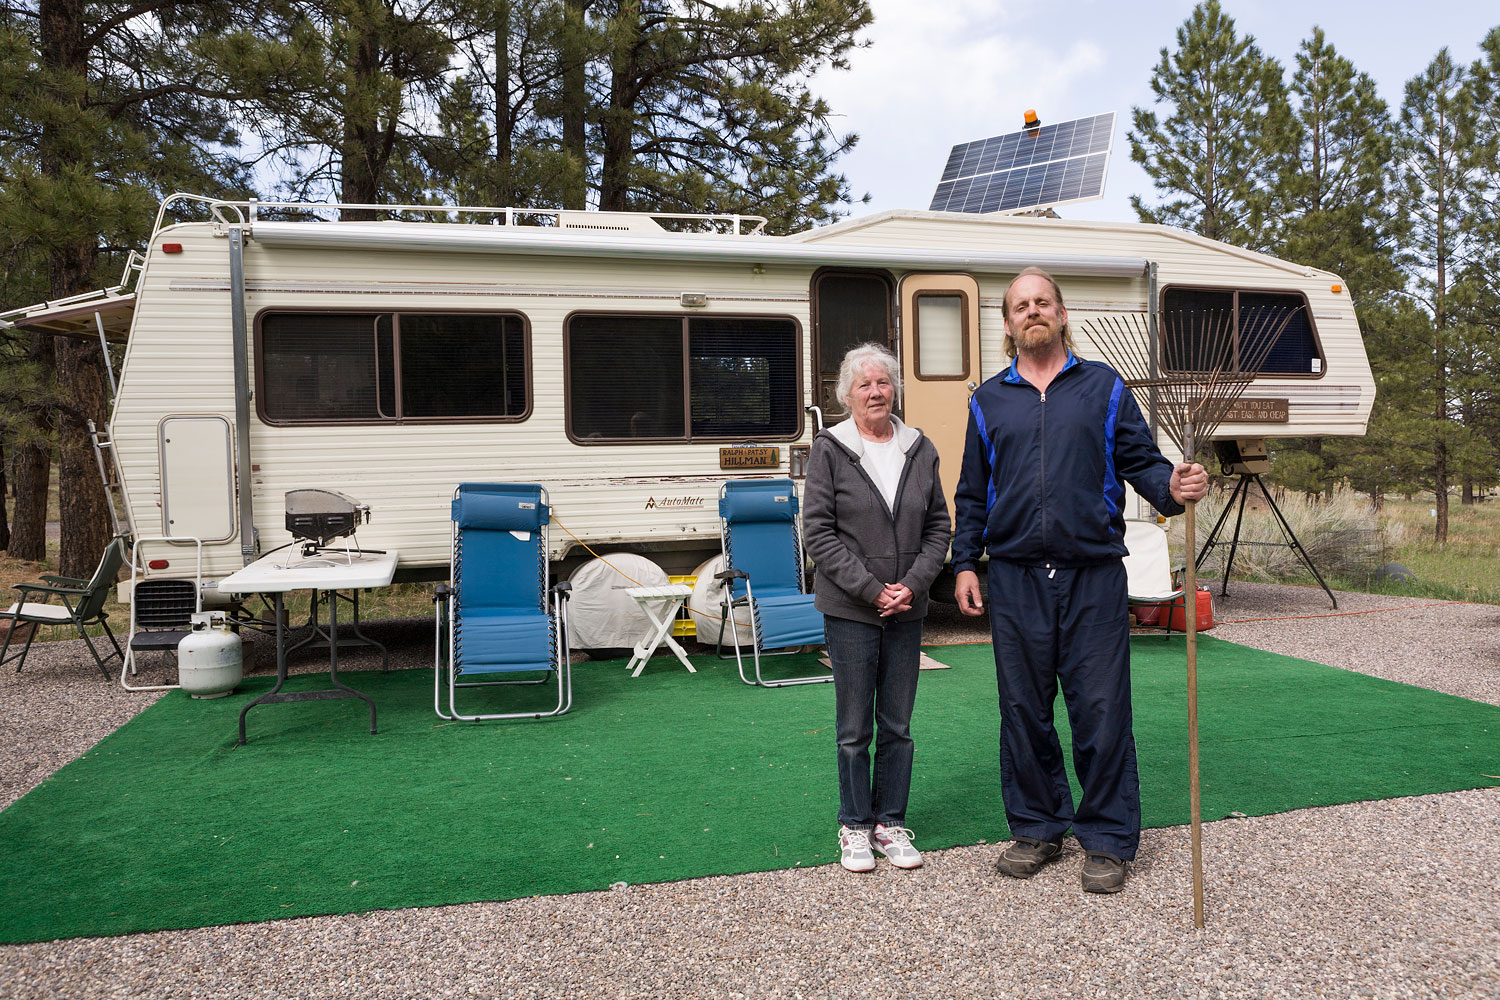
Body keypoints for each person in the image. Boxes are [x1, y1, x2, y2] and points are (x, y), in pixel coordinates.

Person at [952, 267, 1208, 894]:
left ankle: (1108, 839)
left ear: (1062, 315)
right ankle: (1037, 827)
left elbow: (1142, 464)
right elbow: (972, 491)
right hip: (1014, 578)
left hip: (1092, 575)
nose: (1032, 312)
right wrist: (964, 560)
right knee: (1024, 710)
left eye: (1043, 302)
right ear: (1008, 324)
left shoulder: (1105, 389)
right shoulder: (987, 400)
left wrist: (1172, 489)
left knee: (1101, 710)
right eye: (1020, 306)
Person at [803, 343, 951, 873]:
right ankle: (854, 826)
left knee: (898, 724)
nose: (875, 392)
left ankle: (889, 822)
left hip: (906, 608)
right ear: (847, 394)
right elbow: (817, 532)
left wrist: (911, 584)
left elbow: (938, 527)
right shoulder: (831, 448)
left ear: (894, 390)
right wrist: (871, 589)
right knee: (853, 728)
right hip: (851, 609)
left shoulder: (919, 447)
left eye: (883, 382)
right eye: (863, 384)